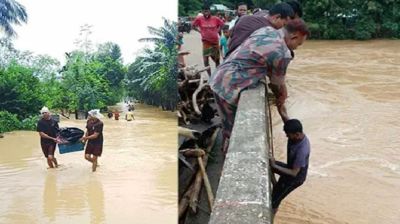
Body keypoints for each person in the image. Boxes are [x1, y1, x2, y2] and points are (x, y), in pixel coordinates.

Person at [209, 19, 309, 153]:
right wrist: (282, 97)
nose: (297, 47)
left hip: (219, 76)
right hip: (230, 86)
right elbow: (276, 83)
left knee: (226, 125)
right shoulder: (282, 53)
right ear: (294, 36)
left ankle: (225, 148)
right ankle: (227, 159)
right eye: (298, 44)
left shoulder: (266, 30)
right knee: (233, 132)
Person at [270, 119, 310, 216]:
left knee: (274, 201)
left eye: (288, 135)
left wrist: (274, 165)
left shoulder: (302, 150)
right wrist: (280, 107)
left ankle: (271, 216)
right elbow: (285, 117)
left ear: (297, 134)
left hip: (295, 178)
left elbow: (294, 173)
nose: (287, 136)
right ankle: (276, 185)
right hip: (290, 167)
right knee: (268, 164)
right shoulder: (294, 131)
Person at [226, 2, 296, 57]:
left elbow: (229, 42)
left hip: (225, 65)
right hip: (240, 70)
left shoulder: (244, 18)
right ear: (277, 17)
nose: (282, 28)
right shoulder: (269, 32)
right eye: (283, 24)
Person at [192, 5, 225, 76]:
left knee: (217, 60)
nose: (206, 12)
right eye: (204, 11)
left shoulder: (215, 19)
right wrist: (200, 31)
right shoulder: (199, 19)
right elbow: (193, 26)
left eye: (207, 10)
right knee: (206, 61)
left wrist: (218, 30)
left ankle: (217, 76)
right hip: (206, 42)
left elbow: (222, 25)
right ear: (202, 11)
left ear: (210, 11)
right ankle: (210, 76)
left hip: (215, 43)